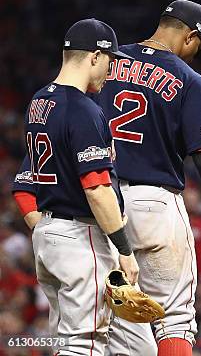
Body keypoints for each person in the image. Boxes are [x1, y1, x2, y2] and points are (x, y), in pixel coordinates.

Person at [97, 0, 201, 356]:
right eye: (197, 49)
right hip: (154, 202)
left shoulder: (105, 63)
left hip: (101, 203)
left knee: (119, 318)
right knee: (173, 317)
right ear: (190, 36)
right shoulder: (188, 79)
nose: (194, 57)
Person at [11, 18, 141, 355]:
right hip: (79, 236)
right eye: (110, 61)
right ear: (95, 57)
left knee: (63, 341)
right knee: (85, 343)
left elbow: (26, 183)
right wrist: (125, 251)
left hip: (49, 233)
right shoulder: (83, 109)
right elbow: (97, 190)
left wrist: (50, 231)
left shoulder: (39, 101)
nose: (110, 72)